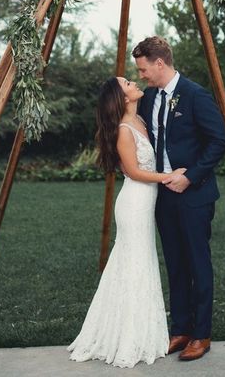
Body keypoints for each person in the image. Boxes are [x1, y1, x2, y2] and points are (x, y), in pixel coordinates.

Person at [67, 76, 186, 369]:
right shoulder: (122, 130)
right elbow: (133, 171)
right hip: (134, 203)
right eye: (128, 83)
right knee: (134, 263)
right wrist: (169, 177)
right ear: (123, 97)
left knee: (139, 262)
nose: (134, 82)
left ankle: (140, 330)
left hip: (146, 203)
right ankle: (127, 336)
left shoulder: (141, 122)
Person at [132, 36, 225, 362]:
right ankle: (181, 329)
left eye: (144, 69)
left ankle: (201, 335)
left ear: (160, 63)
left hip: (194, 195)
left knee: (197, 264)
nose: (142, 75)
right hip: (162, 196)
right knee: (174, 263)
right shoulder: (147, 98)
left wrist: (190, 176)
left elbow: (218, 141)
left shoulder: (195, 95)